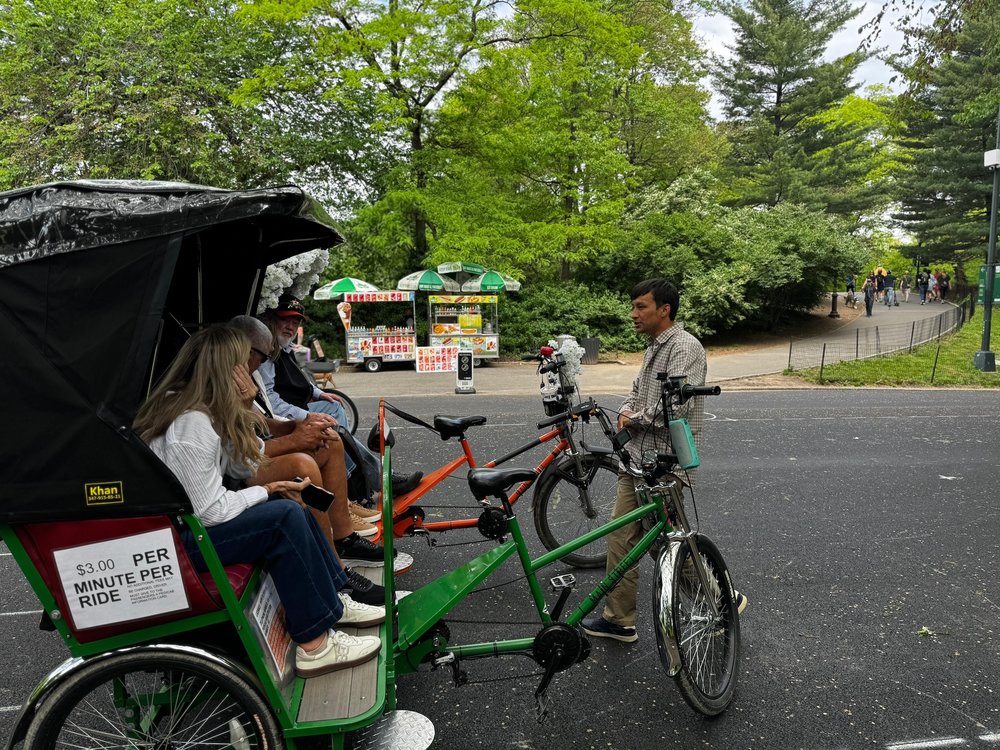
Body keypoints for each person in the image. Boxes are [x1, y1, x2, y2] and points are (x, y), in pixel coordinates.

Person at [133, 325, 384, 677]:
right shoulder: (191, 424)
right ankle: (316, 645)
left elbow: (241, 463)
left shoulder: (205, 410)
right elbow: (210, 512)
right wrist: (266, 490)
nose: (251, 375)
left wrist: (244, 406)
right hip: (179, 544)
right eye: (244, 367)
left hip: (189, 529)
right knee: (282, 516)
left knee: (295, 504)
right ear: (226, 371)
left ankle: (332, 601)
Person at [581, 279, 745, 643]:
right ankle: (618, 619)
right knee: (622, 538)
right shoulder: (654, 347)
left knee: (666, 543)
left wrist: (633, 417)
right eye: (634, 306)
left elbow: (676, 405)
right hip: (636, 460)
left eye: (641, 307)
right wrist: (625, 409)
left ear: (664, 310)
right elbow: (638, 391)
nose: (633, 314)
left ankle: (722, 598)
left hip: (665, 465)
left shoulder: (685, 348)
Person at [258, 295, 422, 506]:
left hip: (294, 406)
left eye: (295, 322)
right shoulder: (267, 353)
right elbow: (272, 402)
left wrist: (318, 393)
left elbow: (295, 378)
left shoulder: (282, 347)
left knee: (334, 407)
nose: (290, 327)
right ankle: (361, 480)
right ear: (271, 319)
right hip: (282, 417)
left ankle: (358, 472)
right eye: (285, 320)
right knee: (334, 432)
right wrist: (308, 415)